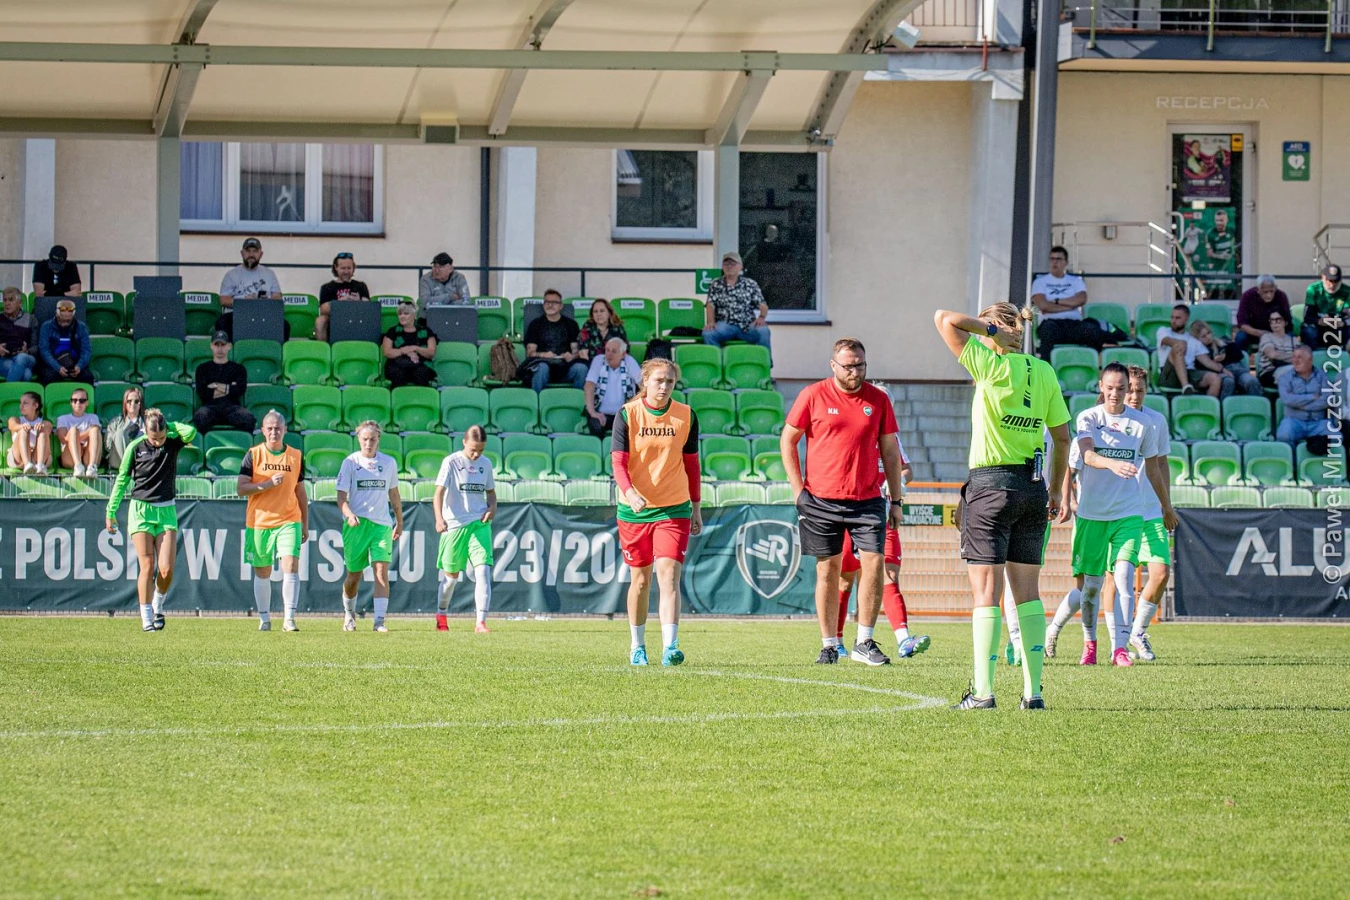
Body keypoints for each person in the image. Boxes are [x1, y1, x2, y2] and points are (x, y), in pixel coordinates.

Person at [934, 303, 1070, 710]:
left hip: (991, 485)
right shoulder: (1044, 371)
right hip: (1033, 488)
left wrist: (989, 331)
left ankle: (983, 692)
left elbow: (944, 318)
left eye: (988, 325)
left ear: (996, 328)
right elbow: (1062, 438)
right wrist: (1057, 490)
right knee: (1028, 594)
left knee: (986, 594)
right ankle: (1033, 693)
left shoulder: (989, 364)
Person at [780, 337, 906, 667]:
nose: (855, 371)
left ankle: (864, 640)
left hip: (868, 499)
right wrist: (798, 490)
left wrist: (896, 500)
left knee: (874, 564)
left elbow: (890, 451)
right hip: (820, 500)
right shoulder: (812, 395)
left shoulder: (878, 399)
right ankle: (829, 645)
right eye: (848, 366)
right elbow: (788, 440)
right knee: (828, 570)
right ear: (833, 365)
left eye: (860, 365)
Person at [1046, 364, 1169, 668]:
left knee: (1124, 576)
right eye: (1111, 388)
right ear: (1101, 387)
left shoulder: (1144, 424)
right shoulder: (1088, 418)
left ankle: (1120, 649)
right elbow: (1084, 455)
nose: (1117, 394)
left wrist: (1166, 506)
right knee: (1089, 588)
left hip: (1129, 512)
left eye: (1122, 388)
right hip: (1092, 515)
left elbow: (1154, 468)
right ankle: (1089, 644)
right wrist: (1067, 497)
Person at [611, 357, 702, 667]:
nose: (664, 386)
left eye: (670, 381)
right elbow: (618, 462)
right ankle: (637, 646)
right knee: (640, 581)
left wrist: (696, 506)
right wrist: (630, 492)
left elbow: (692, 464)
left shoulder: (686, 415)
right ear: (645, 381)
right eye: (659, 380)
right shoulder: (627, 414)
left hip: (674, 508)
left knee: (669, 575)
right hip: (634, 511)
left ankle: (670, 647)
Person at [104, 410, 197, 632]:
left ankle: (158, 603)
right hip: (141, 511)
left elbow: (191, 432)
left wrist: (168, 425)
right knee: (147, 565)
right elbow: (122, 479)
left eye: (161, 437)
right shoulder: (135, 447)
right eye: (154, 438)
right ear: (145, 431)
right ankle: (146, 618)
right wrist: (111, 510)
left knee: (166, 570)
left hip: (166, 511)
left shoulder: (172, 441)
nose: (158, 442)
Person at [833, 449, 928, 660]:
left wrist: (899, 482)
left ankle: (904, 640)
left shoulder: (891, 438)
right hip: (854, 514)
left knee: (890, 575)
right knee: (845, 580)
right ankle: (837, 641)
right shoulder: (857, 433)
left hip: (884, 516)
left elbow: (907, 469)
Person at [238, 410, 308, 633]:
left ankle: (289, 618)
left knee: (291, 565)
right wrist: (267, 484)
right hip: (259, 521)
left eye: (278, 428)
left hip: (289, 519)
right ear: (263, 430)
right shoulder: (253, 454)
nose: (274, 432)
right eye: (270, 428)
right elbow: (241, 488)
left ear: (285, 430)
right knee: (263, 571)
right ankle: (264, 618)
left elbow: (301, 492)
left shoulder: (295, 455)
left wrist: (305, 523)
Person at [336, 420, 403, 633]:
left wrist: (399, 521)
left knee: (381, 571)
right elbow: (341, 497)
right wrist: (349, 515)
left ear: (378, 439)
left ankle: (379, 621)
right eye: (365, 439)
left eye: (372, 439)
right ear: (359, 439)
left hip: (381, 525)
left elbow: (394, 493)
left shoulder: (389, 463)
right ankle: (349, 614)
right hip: (357, 526)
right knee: (353, 575)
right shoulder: (350, 462)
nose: (368, 443)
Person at [432, 425, 497, 634]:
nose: (477, 454)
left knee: (483, 571)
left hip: (479, 523)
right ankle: (441, 614)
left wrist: (492, 508)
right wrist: (439, 519)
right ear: (464, 442)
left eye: (481, 450)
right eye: (473, 450)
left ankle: (481, 622)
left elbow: (491, 493)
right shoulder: (451, 462)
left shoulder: (486, 464)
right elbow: (438, 493)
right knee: (451, 578)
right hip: (455, 524)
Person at [702, 251, 771, 356]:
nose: (729, 266)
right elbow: (710, 305)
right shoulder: (715, 284)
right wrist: (711, 322)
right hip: (725, 324)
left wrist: (761, 317)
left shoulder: (750, 284)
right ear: (722, 267)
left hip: (747, 325)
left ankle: (764, 361)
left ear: (740, 266)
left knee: (764, 331)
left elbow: (763, 305)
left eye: (733, 264)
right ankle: (718, 361)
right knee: (708, 333)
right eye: (726, 264)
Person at [215, 237, 284, 341]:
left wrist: (265, 300)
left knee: (284, 326)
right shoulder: (231, 274)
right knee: (222, 322)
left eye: (255, 251)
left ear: (261, 254)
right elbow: (223, 300)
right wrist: (243, 302)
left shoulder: (269, 274)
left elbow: (277, 297)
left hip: (262, 315)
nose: (251, 254)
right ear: (242, 253)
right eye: (248, 251)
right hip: (238, 315)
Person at [1030, 245, 1090, 358]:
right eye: (1052, 259)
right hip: (1050, 324)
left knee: (1092, 330)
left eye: (1058, 259)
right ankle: (1046, 366)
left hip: (1074, 324)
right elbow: (1043, 306)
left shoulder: (1075, 281)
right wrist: (1071, 305)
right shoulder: (1040, 282)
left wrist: (1056, 301)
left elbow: (1082, 299)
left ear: (1066, 262)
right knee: (1047, 331)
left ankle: (1089, 365)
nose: (1054, 262)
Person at [522, 289, 586, 392]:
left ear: (561, 306)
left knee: (581, 368)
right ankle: (537, 400)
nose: (550, 305)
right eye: (547, 302)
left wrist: (571, 356)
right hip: (543, 365)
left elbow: (576, 350)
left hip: (565, 367)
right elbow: (530, 353)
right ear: (543, 305)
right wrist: (544, 355)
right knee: (542, 368)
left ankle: (578, 400)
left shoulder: (571, 324)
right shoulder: (535, 324)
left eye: (554, 302)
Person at [193, 332, 255, 434]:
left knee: (248, 419)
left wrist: (216, 386)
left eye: (223, 345)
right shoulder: (202, 368)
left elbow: (239, 390)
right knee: (200, 417)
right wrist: (229, 388)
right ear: (211, 346)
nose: (220, 348)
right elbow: (203, 393)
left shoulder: (238, 369)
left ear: (229, 346)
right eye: (217, 345)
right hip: (210, 407)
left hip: (232, 408)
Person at [1156, 304, 1222, 396]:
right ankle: (1185, 386)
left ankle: (1207, 404)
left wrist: (1222, 369)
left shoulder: (1193, 339)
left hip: (1190, 372)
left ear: (1186, 319)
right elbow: (1167, 340)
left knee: (1215, 379)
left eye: (1177, 318)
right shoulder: (1163, 331)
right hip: (1169, 375)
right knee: (1177, 347)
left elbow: (1206, 361)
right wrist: (1181, 343)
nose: (1173, 321)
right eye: (1172, 317)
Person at [1276, 345, 1333, 450]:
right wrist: (1312, 397)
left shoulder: (1322, 376)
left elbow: (1327, 400)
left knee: (1336, 438)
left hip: (1318, 422)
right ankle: (1293, 459)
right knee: (1283, 436)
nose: (1295, 361)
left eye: (1300, 357)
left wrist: (1300, 405)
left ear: (1310, 360)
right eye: (1294, 357)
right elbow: (1287, 399)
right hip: (1294, 421)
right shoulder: (1285, 378)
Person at [584, 337, 641, 438]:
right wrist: (592, 412)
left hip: (624, 415)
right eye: (607, 350)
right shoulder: (598, 360)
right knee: (595, 425)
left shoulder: (629, 361)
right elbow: (589, 385)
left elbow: (643, 385)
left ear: (623, 354)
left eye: (614, 351)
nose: (609, 354)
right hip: (601, 414)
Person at [1191, 319, 1259, 397]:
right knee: (1228, 382)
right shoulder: (1200, 352)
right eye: (1203, 336)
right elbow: (1203, 368)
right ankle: (1225, 404)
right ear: (1197, 339)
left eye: (1208, 333)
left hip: (1238, 371)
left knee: (1251, 381)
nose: (1208, 337)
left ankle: (1257, 404)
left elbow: (1239, 354)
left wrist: (1225, 356)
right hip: (1221, 374)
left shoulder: (1222, 340)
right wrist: (1215, 361)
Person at [314, 253, 372, 343]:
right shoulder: (327, 287)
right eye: (343, 268)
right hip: (335, 321)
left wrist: (359, 302)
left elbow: (369, 308)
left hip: (357, 320)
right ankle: (323, 350)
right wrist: (340, 302)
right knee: (320, 320)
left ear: (353, 268)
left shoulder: (360, 286)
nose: (346, 271)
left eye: (349, 268)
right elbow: (323, 310)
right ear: (336, 268)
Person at [381, 300, 438, 389]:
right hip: (397, 365)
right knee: (397, 373)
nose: (402, 316)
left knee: (421, 373)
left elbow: (431, 353)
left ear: (414, 315)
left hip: (420, 365)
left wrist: (414, 348)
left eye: (406, 313)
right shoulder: (392, 331)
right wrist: (403, 351)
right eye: (400, 314)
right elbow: (387, 352)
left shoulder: (426, 331)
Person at [37, 298, 92, 385]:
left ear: (73, 315)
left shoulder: (81, 327)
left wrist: (79, 366)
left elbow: (86, 350)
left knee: (87, 377)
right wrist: (57, 367)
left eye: (68, 320)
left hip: (75, 363)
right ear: (56, 313)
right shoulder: (46, 326)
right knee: (49, 377)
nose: (65, 322)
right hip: (53, 363)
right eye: (62, 319)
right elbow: (44, 350)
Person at [1235, 275, 1292, 352]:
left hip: (1277, 332)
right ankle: (1242, 358)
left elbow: (1287, 320)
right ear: (1258, 290)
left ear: (1275, 288)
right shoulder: (1247, 296)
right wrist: (1259, 333)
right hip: (1253, 333)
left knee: (1290, 337)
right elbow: (1242, 323)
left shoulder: (1281, 296)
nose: (1269, 295)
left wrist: (1276, 333)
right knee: (1240, 337)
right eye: (1265, 292)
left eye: (1271, 291)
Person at [56, 386, 102, 477]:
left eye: (82, 400)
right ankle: (78, 466)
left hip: (88, 456)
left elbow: (95, 435)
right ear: (71, 402)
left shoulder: (93, 417)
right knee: (73, 430)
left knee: (95, 430)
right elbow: (63, 439)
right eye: (74, 400)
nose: (78, 403)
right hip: (70, 457)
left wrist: (77, 438)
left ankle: (92, 466)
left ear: (87, 403)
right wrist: (86, 433)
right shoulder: (62, 419)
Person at [1301, 264, 1349, 349]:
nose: (1332, 285)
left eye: (1336, 281)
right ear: (1323, 278)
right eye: (1329, 280)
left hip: (1338, 327)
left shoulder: (1347, 291)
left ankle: (1345, 355)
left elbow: (1348, 314)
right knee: (1309, 331)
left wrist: (1343, 322)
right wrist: (1318, 321)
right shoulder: (1313, 289)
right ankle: (1312, 355)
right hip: (1318, 326)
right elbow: (1307, 316)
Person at [7, 390, 52, 474]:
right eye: (20, 403)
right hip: (19, 458)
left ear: (35, 405)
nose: (21, 406)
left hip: (37, 458)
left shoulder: (45, 423)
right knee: (23, 430)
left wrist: (41, 427)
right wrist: (22, 426)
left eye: (25, 403)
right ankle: (27, 464)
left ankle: (40, 466)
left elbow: (48, 428)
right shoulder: (15, 419)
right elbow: (11, 425)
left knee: (43, 432)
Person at [0, 286, 38, 383]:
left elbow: (36, 346)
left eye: (11, 300)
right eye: (5, 300)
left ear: (20, 303)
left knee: (22, 358)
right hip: (4, 358)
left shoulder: (31, 319)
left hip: (27, 357)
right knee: (26, 374)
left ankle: (6, 392)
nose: (7, 303)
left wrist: (27, 351)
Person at [105, 386, 146, 471]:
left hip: (141, 461)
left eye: (136, 401)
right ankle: (126, 468)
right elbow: (108, 446)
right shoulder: (115, 422)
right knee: (119, 433)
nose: (132, 404)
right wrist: (124, 432)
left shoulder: (147, 423)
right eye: (129, 401)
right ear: (124, 403)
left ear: (141, 404)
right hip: (118, 462)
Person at [1256, 310, 1299, 389]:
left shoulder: (1294, 340)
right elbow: (1272, 355)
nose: (1274, 323)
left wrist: (1281, 356)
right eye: (1271, 320)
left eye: (1278, 320)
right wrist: (1293, 356)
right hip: (1269, 372)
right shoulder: (1266, 337)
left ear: (1285, 322)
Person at [576, 299, 627, 364]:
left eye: (602, 311)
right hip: (591, 365)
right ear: (592, 315)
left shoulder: (618, 328)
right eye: (595, 311)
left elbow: (624, 351)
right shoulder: (587, 328)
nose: (598, 314)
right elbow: (583, 354)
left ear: (609, 313)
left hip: (614, 365)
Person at [1204, 209, 1237, 298]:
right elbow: (1209, 253)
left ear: (1227, 220)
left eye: (1221, 220)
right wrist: (1220, 256)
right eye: (1217, 220)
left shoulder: (1231, 231)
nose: (1219, 223)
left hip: (1229, 268)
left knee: (1229, 293)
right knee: (1213, 293)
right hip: (1216, 267)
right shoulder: (1210, 233)